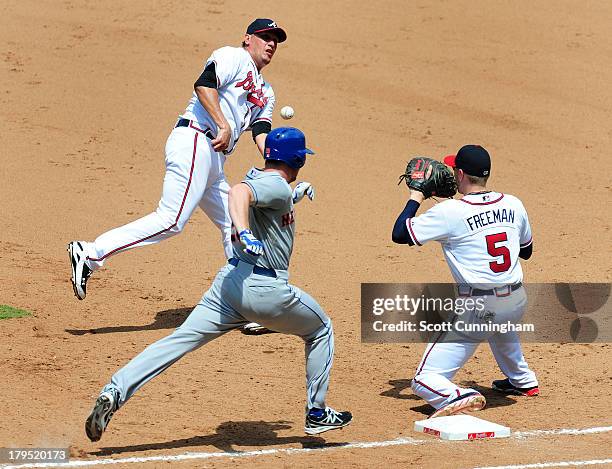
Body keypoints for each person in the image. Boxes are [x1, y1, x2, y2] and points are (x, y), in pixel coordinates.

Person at [84, 127, 352, 442]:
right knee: (320, 329)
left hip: (229, 287)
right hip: (266, 292)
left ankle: (115, 390)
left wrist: (294, 196)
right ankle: (317, 412)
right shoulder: (274, 187)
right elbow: (239, 193)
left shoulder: (272, 185)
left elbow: (260, 197)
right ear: (298, 160)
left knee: (178, 341)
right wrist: (242, 229)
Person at [68, 19, 287, 300]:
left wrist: (278, 165)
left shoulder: (267, 91)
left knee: (235, 223)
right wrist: (223, 123)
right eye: (265, 36)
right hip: (196, 140)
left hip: (214, 161)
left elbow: (261, 130)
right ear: (247, 39)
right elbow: (204, 84)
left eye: (276, 40)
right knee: (172, 219)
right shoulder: (233, 56)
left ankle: (246, 300)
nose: (271, 43)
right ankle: (90, 253)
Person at [392, 145, 539, 418]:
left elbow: (400, 233)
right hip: (516, 300)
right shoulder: (513, 203)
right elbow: (526, 251)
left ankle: (463, 396)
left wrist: (416, 196)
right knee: (500, 321)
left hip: (480, 309)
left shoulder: (450, 211)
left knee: (424, 379)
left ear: (460, 174)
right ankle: (523, 380)